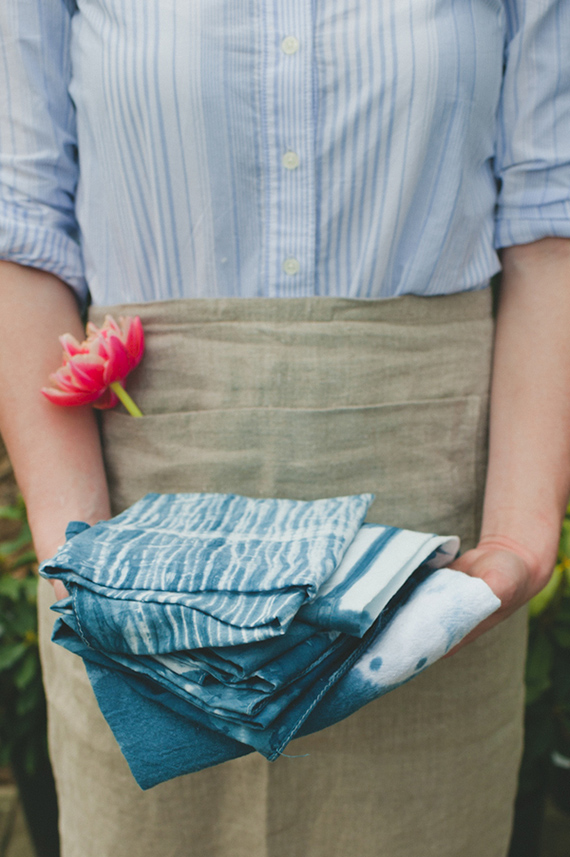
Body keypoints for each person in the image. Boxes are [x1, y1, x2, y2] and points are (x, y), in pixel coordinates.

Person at [0, 1, 569, 855]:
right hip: (132, 549)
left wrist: (520, 538)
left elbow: (551, 219)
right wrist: (76, 553)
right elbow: (21, 225)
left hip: (431, 567)